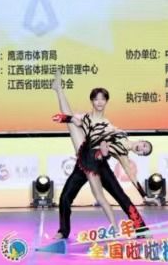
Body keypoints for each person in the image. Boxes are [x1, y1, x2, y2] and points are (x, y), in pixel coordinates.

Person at [49, 71, 150, 241]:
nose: (100, 102)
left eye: (103, 99)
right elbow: (72, 120)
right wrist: (65, 118)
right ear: (92, 101)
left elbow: (131, 175)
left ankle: (141, 228)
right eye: (97, 99)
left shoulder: (111, 128)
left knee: (121, 197)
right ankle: (63, 231)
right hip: (83, 161)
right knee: (65, 197)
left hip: (100, 165)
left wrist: (144, 195)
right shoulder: (86, 117)